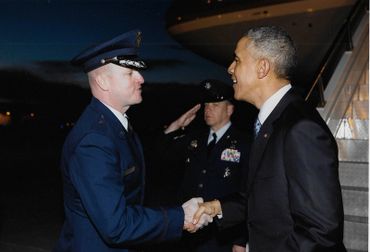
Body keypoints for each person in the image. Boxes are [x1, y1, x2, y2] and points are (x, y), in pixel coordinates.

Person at [53, 30, 210, 252]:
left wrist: (171, 133)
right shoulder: (94, 141)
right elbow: (116, 226)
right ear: (103, 81)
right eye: (129, 73)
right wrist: (180, 217)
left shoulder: (113, 125)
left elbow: (130, 168)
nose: (141, 78)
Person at [192, 26, 346, 251]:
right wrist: (215, 207)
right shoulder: (273, 122)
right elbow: (266, 197)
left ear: (262, 68)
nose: (230, 68)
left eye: (237, 60)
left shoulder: (300, 128)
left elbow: (320, 233)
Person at [156, 79, 251, 252]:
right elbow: (161, 153)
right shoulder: (195, 139)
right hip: (188, 232)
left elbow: (247, 193)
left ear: (229, 109)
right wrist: (177, 126)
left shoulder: (244, 143)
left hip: (221, 235)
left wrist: (241, 240)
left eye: (215, 105)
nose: (208, 110)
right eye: (206, 105)